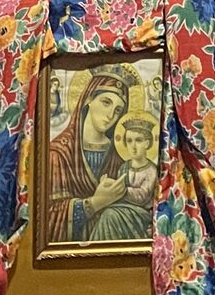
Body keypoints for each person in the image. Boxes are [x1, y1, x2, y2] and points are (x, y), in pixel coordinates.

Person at [46, 66, 143, 245]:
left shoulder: (120, 155)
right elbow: (47, 218)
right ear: (88, 99)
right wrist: (94, 203)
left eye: (118, 110)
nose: (110, 115)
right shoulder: (58, 153)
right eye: (106, 102)